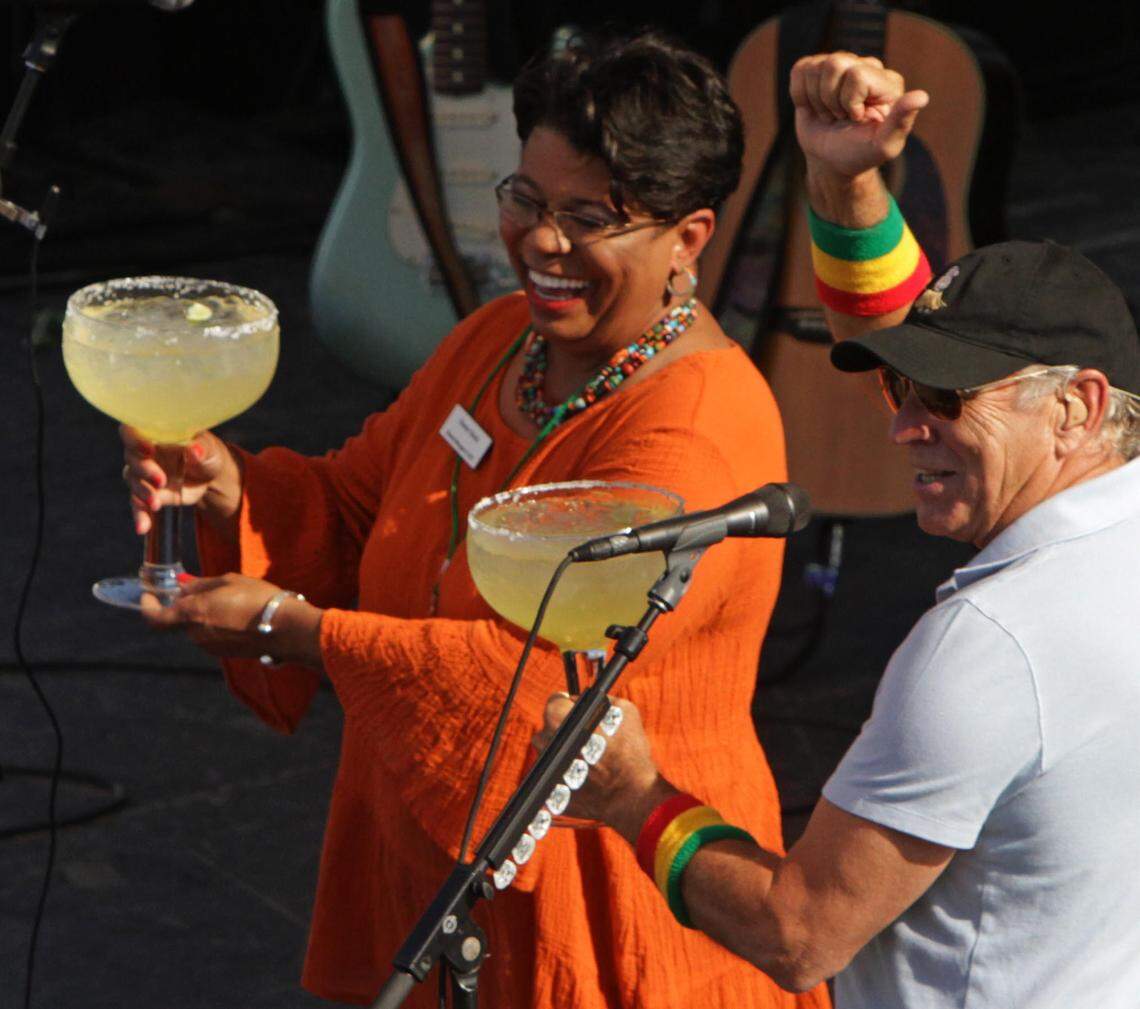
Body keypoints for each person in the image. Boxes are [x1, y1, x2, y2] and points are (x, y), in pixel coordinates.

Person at [121, 31, 830, 1009]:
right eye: (526, 200)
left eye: (588, 217)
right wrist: (228, 483)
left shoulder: (695, 431)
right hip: (443, 874)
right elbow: (361, 500)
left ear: (691, 238)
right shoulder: (502, 339)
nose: (542, 241)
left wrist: (296, 630)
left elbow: (536, 686)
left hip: (599, 889)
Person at [539, 52, 1140, 1007]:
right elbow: (915, 340)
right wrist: (842, 178)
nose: (901, 424)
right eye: (903, 388)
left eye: (941, 396)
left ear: (1078, 408)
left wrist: (632, 796)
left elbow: (800, 930)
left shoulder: (990, 648)